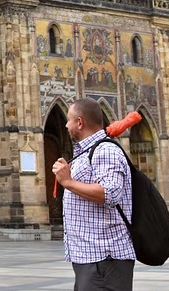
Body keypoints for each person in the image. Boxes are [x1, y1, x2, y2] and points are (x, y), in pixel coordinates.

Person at [52, 97, 135, 290]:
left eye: (69, 120)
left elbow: (110, 193)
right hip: (91, 257)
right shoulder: (88, 151)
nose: (66, 125)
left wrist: (68, 182)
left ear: (80, 122)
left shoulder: (105, 150)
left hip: (105, 258)